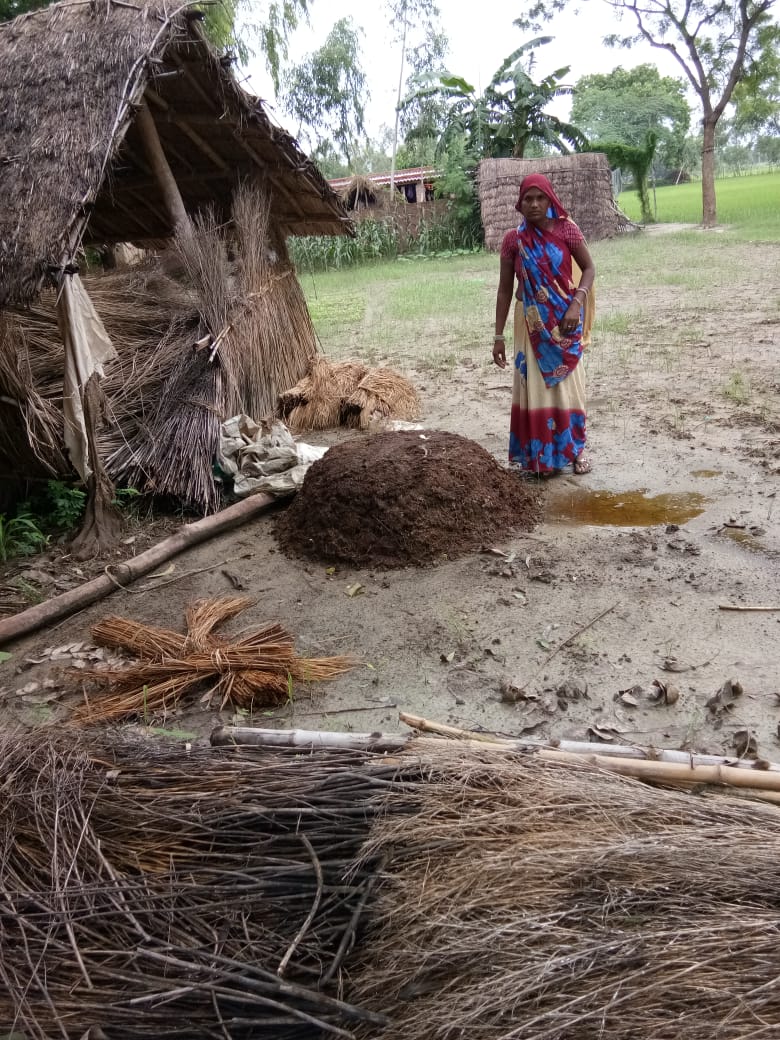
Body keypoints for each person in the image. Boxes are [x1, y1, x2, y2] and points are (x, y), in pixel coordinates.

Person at [493, 173, 596, 476]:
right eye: (528, 199)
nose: (535, 204)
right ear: (520, 204)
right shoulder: (513, 240)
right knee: (535, 388)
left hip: (565, 320)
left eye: (540, 198)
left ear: (550, 199)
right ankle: (541, 457)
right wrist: (497, 336)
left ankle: (576, 450)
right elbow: (503, 289)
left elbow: (589, 268)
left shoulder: (567, 230)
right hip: (530, 324)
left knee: (569, 387)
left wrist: (576, 304)